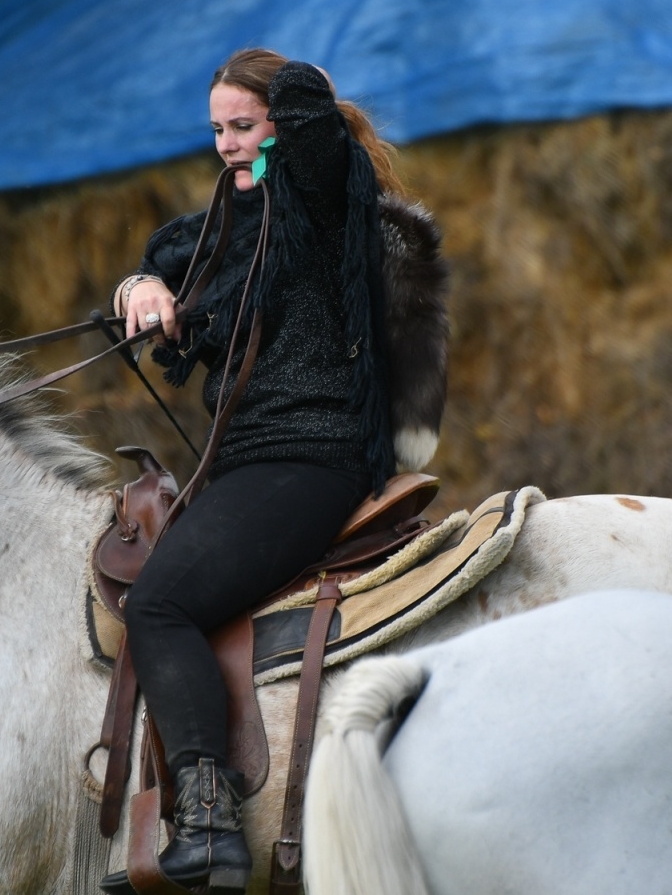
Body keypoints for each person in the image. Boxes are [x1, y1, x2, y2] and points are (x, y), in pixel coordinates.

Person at [101, 49, 447, 894]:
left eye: (244, 126)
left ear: (287, 126)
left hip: (310, 458)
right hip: (250, 462)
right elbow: (171, 261)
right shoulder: (229, 226)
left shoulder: (327, 202)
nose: (226, 144)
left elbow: (318, 138)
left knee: (162, 603)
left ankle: (211, 823)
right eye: (216, 128)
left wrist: (298, 96)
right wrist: (144, 289)